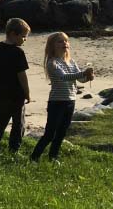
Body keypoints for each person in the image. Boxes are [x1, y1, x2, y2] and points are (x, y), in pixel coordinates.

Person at [30, 32, 95, 163]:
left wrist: (88, 77)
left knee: (62, 132)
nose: (64, 43)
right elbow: (63, 77)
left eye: (66, 41)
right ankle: (34, 157)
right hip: (57, 102)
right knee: (50, 133)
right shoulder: (52, 62)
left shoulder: (71, 61)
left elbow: (80, 79)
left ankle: (53, 157)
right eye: (60, 41)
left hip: (71, 100)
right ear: (52, 46)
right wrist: (82, 73)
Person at [0, 17, 31, 156]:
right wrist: (27, 93)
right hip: (16, 95)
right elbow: (22, 75)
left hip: (0, 93)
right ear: (13, 34)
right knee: (18, 124)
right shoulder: (18, 52)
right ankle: (14, 149)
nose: (25, 40)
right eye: (23, 36)